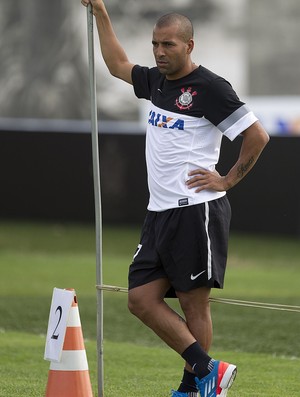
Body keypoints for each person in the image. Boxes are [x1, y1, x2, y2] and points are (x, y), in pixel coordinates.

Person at [81, 1, 270, 396]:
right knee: (140, 299)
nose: (160, 52)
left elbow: (257, 136)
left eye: (168, 44)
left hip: (195, 211)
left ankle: (191, 388)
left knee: (193, 306)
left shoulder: (211, 88)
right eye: (155, 44)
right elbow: (117, 65)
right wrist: (100, 12)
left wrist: (228, 180)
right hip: (159, 213)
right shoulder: (156, 82)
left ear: (189, 45)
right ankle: (208, 371)